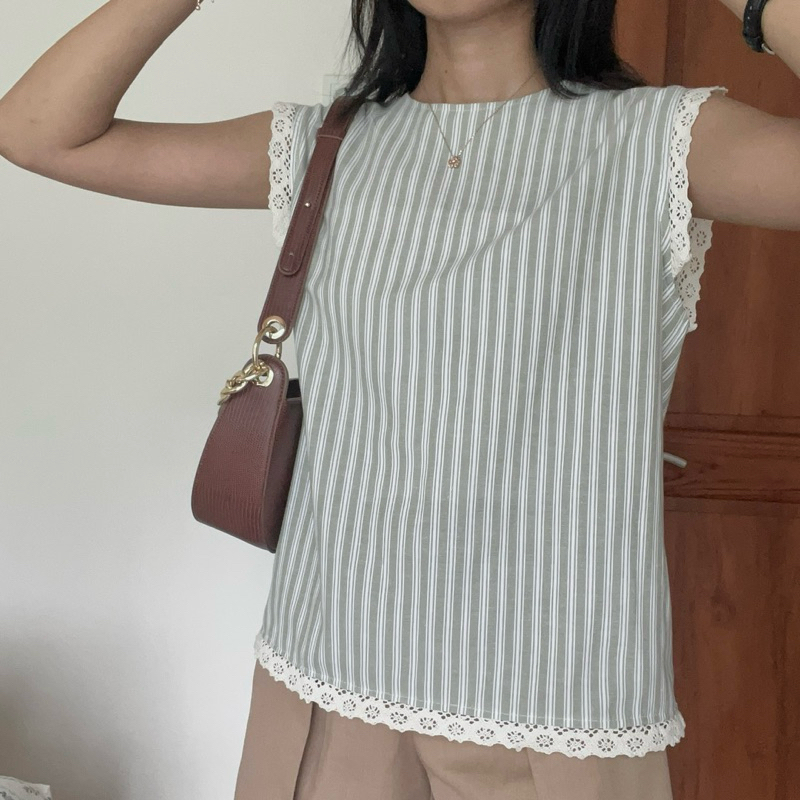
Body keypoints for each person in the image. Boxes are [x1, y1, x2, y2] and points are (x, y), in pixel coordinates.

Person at [1, 0, 799, 798]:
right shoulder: (322, 147)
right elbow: (38, 131)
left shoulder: (662, 140)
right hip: (328, 680)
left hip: (555, 699)